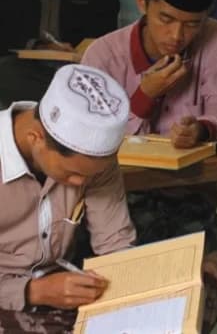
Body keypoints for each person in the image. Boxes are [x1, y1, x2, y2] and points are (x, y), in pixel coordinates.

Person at [81, 0, 217, 308]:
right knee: (133, 262)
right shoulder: (104, 55)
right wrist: (143, 97)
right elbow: (87, 138)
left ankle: (199, 260)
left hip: (186, 189)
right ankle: (199, 260)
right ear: (143, 4)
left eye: (192, 24)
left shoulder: (216, 38)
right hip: (119, 192)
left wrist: (200, 129)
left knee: (189, 262)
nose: (177, 36)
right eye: (165, 19)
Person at [0, 64, 136, 333]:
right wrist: (32, 292)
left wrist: (128, 289)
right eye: (73, 174)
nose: (82, 184)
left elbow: (115, 242)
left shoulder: (94, 164)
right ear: (36, 138)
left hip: (57, 279)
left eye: (92, 175)